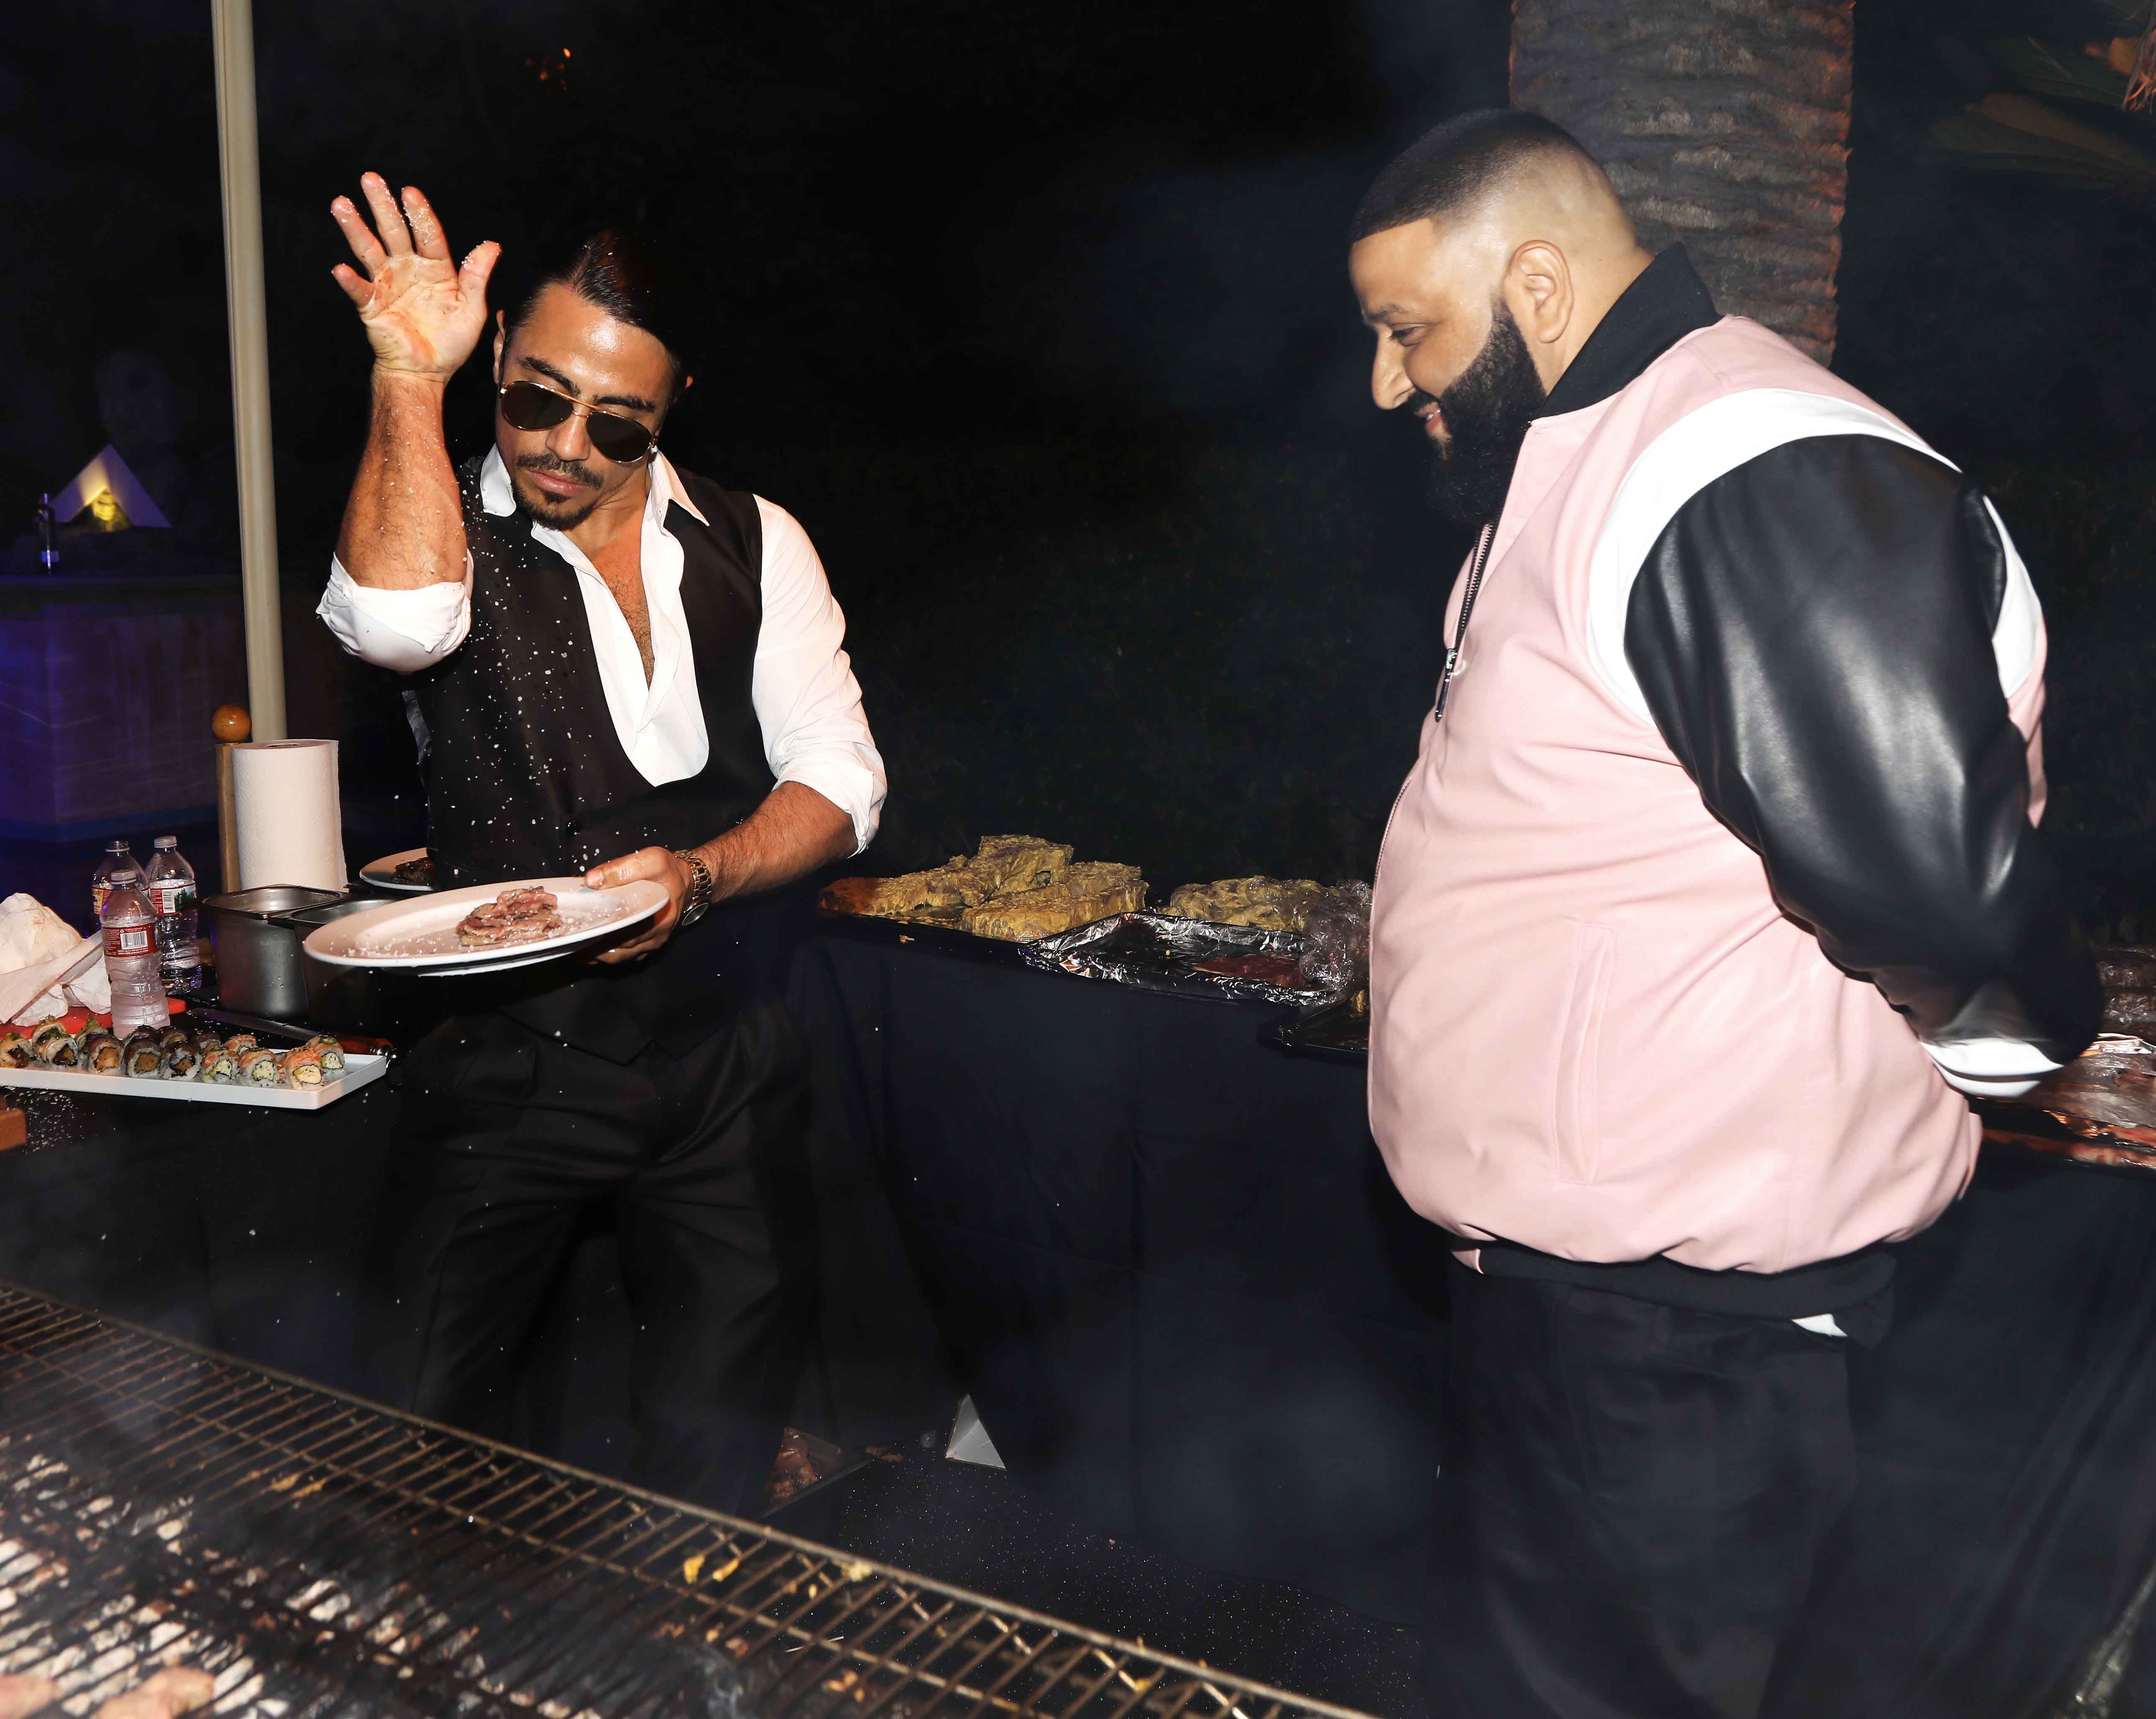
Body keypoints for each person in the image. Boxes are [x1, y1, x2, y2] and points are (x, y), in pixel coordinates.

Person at [1348, 111, 2100, 1718]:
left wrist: (1998, 1064)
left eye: (1408, 330)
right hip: (1588, 1312)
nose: (1387, 384)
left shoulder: (1741, 467)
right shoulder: (1595, 451)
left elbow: (1938, 889)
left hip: (1675, 1341)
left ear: (1534, 283)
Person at [317, 174, 885, 1516]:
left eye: (617, 421)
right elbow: (393, 627)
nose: (566, 445)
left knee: (717, 1473)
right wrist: (408, 377)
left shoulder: (755, 540)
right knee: (405, 1457)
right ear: (497, 358)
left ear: (672, 405)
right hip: (509, 1064)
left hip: (725, 1064)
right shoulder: (437, 527)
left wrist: (704, 877)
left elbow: (843, 781)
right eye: (535, 399)